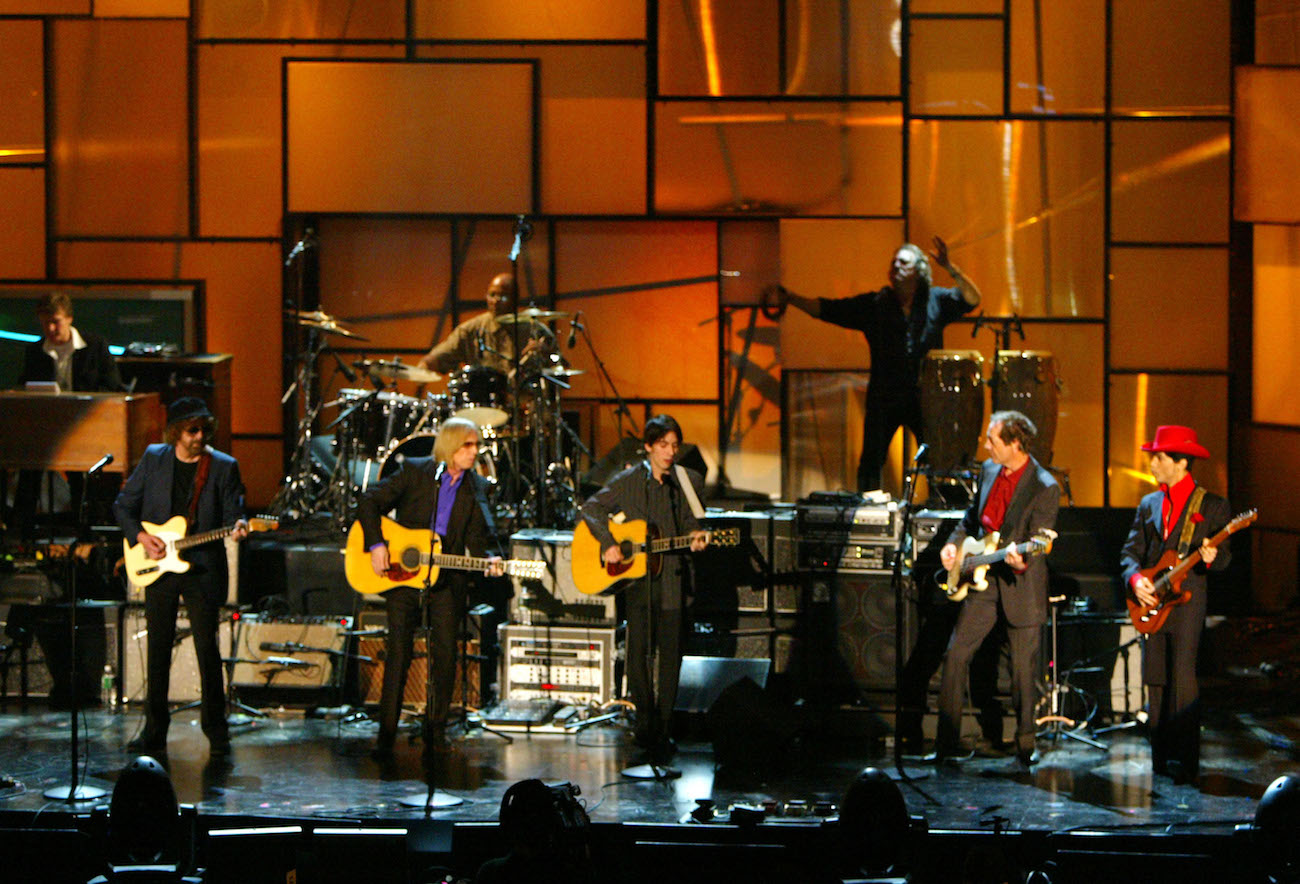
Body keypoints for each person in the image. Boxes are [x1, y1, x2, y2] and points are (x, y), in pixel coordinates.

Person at [775, 237, 981, 491]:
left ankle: (938, 512)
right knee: (871, 460)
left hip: (926, 396)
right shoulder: (877, 304)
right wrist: (792, 299)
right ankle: (867, 512)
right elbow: (829, 309)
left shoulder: (935, 300)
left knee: (937, 460)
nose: (895, 267)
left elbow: (972, 299)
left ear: (918, 270)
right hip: (885, 395)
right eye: (893, 263)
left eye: (903, 263)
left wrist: (951, 268)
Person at [355, 416, 503, 758]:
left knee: (446, 655)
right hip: (403, 577)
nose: (474, 452)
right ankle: (386, 735)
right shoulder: (417, 471)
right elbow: (369, 501)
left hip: (447, 580)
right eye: (468, 445)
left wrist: (489, 561)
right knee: (399, 653)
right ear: (451, 445)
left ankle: (435, 734)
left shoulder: (477, 486)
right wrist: (377, 545)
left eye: (476, 446)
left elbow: (478, 538)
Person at [113, 397, 248, 757]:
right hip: (159, 567)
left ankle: (216, 733)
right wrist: (141, 537)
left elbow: (236, 508)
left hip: (202, 568)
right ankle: (154, 733)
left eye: (204, 429)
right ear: (176, 432)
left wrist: (240, 524)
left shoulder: (223, 466)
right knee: (158, 649)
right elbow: (123, 506)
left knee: (207, 649)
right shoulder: (155, 458)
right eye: (192, 430)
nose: (199, 436)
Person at [579, 414, 707, 761]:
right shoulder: (628, 481)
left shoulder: (687, 480)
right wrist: (608, 541)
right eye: (663, 445)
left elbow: (694, 523)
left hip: (674, 579)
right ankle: (644, 723)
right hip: (639, 582)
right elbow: (590, 508)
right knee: (638, 656)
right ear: (649, 446)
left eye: (675, 446)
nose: (670, 452)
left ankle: (664, 728)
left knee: (671, 658)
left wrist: (696, 536)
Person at [936, 410, 1059, 766]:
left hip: (1020, 584)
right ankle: (946, 743)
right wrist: (954, 544)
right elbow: (970, 521)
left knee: (1022, 671)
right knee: (956, 655)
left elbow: (1039, 541)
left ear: (1015, 443)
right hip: (982, 581)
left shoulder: (1044, 486)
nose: (985, 444)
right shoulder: (989, 471)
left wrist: (1025, 559)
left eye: (992, 439)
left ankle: (1024, 745)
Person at [1120, 425, 1231, 786]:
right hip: (1153, 600)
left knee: (1182, 675)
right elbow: (1130, 553)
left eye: (1159, 457)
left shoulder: (1211, 505)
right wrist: (1136, 580)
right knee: (1155, 677)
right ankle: (1159, 757)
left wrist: (1212, 557)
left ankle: (1185, 761)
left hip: (1188, 600)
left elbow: (1228, 559)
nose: (1152, 463)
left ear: (1181, 462)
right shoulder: (1149, 504)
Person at [10, 291, 126, 540]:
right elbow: (25, 387)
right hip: (47, 430)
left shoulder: (95, 347)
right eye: (45, 323)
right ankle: (21, 536)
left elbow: (114, 387)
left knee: (81, 480)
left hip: (86, 429)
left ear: (69, 318)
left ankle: (87, 535)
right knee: (29, 469)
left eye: (56, 322)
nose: (51, 329)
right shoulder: (35, 351)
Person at [416, 272, 546, 377]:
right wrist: (426, 365)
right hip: (484, 403)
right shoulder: (471, 329)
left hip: (524, 402)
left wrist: (543, 353)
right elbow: (443, 354)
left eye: (503, 297)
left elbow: (559, 371)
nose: (495, 301)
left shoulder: (533, 329)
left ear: (515, 299)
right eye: (491, 295)